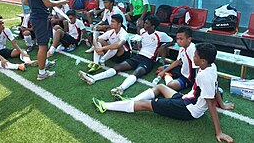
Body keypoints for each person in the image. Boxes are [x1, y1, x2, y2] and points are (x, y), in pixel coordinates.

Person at [92, 43, 234, 143]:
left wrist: (219, 132)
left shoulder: (205, 75)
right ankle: (132, 99)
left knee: (145, 105)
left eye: (195, 56)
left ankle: (106, 105)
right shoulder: (211, 66)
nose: (193, 57)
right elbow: (216, 87)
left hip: (188, 109)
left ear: (203, 60)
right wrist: (222, 104)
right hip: (187, 98)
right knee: (161, 87)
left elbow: (210, 103)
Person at [79, 15, 173, 95]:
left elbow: (172, 41)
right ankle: (93, 78)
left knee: (137, 73)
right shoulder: (142, 31)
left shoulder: (160, 35)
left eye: (147, 23)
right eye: (145, 22)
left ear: (153, 26)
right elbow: (140, 35)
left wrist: (163, 46)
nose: (144, 24)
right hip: (138, 56)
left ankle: (121, 88)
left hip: (148, 60)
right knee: (118, 67)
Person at [23, 0, 69, 81]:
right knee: (43, 45)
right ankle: (42, 73)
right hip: (41, 18)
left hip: (37, 17)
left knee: (43, 42)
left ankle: (45, 63)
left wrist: (36, 5)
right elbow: (48, 3)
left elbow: (25, 1)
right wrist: (62, 1)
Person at [153, 26, 198, 91]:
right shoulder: (182, 47)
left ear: (189, 39)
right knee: (160, 69)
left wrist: (197, 84)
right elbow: (177, 61)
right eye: (177, 39)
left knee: (171, 85)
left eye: (181, 39)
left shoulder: (192, 49)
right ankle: (167, 73)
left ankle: (167, 75)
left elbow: (197, 68)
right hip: (182, 70)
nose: (178, 41)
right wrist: (164, 71)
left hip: (189, 78)